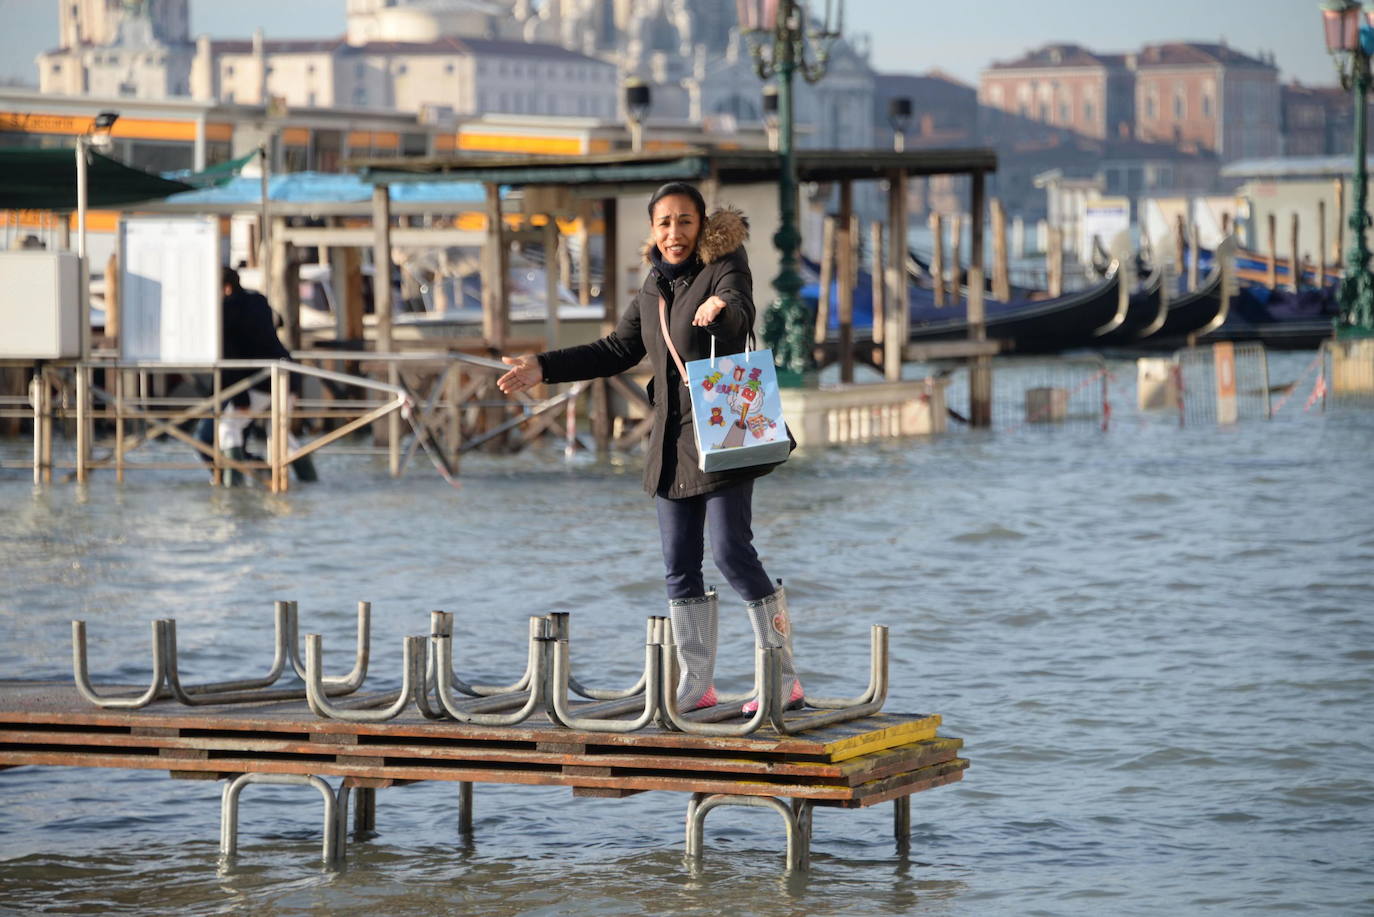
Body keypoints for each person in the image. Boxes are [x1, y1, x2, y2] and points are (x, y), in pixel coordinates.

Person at [498, 182, 800, 715]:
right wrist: (542, 367)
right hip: (670, 439)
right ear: (653, 230)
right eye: (664, 223)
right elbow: (615, 349)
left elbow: (740, 308)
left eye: (685, 221)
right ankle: (696, 683)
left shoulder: (726, 263)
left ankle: (782, 677)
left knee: (731, 553)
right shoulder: (654, 286)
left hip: (724, 429)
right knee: (679, 566)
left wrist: (718, 307)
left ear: (703, 224)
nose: (674, 232)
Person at [196, 266, 316, 484]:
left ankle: (235, 488)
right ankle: (309, 481)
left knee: (229, 429)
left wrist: (241, 399)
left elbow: (229, 356)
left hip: (260, 383)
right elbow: (273, 328)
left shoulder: (226, 311)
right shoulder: (258, 300)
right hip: (287, 375)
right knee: (278, 433)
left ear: (225, 288)